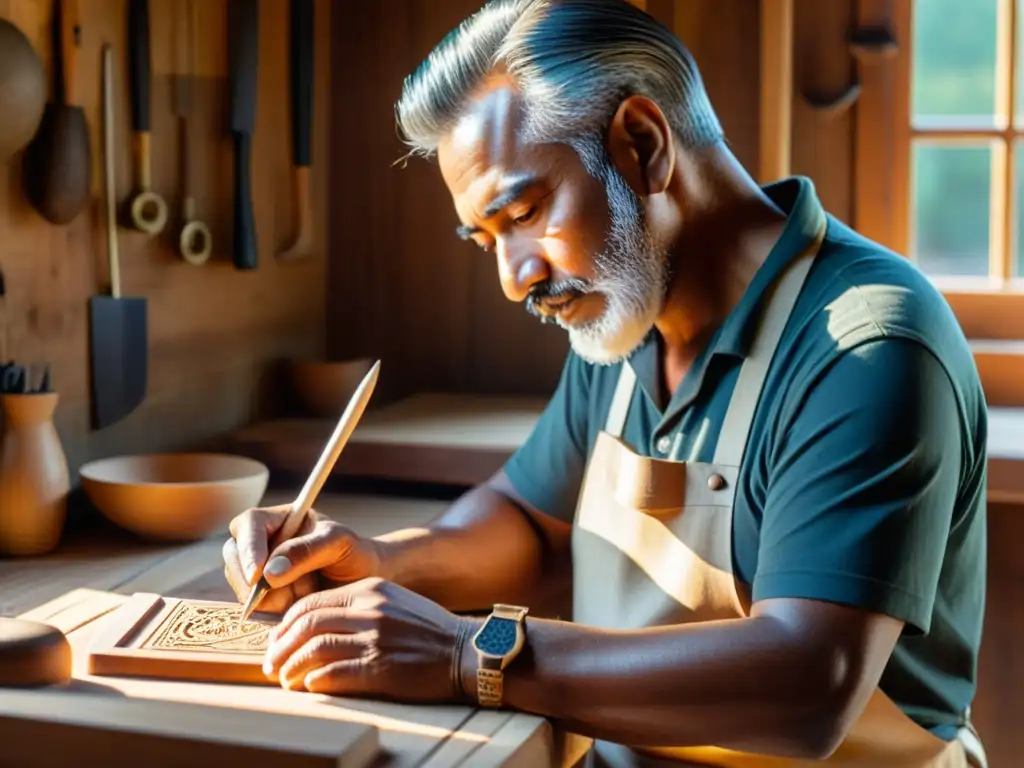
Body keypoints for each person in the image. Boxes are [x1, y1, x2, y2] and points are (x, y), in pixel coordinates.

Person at [223, 1, 989, 765]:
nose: (514, 278)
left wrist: (468, 652)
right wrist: (379, 562)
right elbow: (530, 524)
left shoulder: (868, 348)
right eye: (486, 239)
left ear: (642, 144)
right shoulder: (624, 319)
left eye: (523, 211)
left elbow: (808, 687)